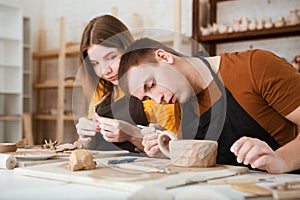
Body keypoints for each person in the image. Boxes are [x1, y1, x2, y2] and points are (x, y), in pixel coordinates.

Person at [118, 38, 300, 174]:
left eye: (151, 85)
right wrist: (167, 152)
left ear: (164, 57)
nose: (158, 100)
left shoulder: (254, 66)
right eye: (147, 98)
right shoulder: (181, 104)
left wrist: (282, 159)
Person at [76, 15, 179, 152]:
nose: (105, 71)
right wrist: (85, 137)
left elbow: (175, 149)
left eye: (111, 57)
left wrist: (132, 136)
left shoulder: (155, 89)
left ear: (127, 48)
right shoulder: (103, 88)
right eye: (95, 63)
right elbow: (87, 145)